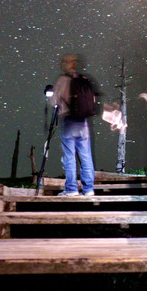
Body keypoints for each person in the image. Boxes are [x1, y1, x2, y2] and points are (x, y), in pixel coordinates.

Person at [50, 53, 96, 197]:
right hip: (83, 123)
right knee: (86, 156)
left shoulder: (63, 80)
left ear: (67, 64)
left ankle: (71, 189)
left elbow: (53, 102)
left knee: (69, 156)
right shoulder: (84, 80)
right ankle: (88, 189)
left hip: (69, 122)